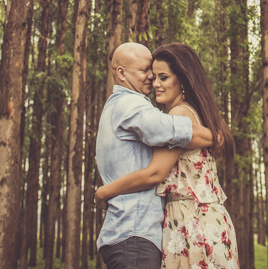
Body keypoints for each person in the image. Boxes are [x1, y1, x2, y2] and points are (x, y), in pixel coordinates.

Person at [96, 43, 238, 269]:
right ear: (121, 73)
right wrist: (216, 133)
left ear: (182, 79)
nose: (154, 81)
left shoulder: (179, 113)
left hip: (190, 223)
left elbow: (154, 173)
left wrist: (105, 191)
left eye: (162, 76)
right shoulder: (191, 112)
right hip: (207, 221)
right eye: (150, 74)